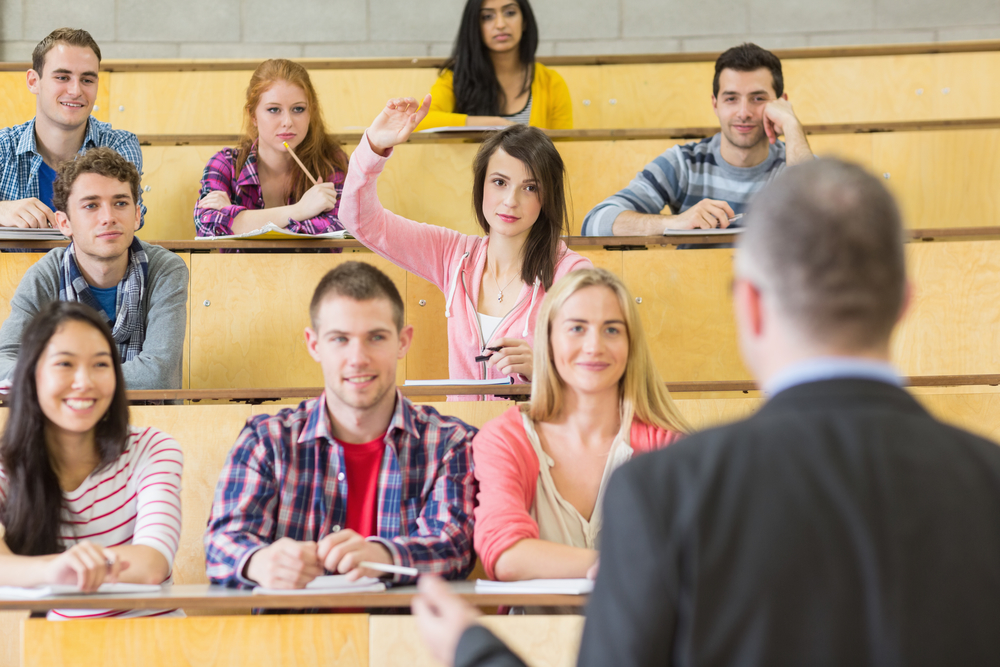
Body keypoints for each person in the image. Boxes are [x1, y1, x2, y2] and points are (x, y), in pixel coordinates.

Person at [412, 158, 1000, 666]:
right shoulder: (988, 483)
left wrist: (476, 650)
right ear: (904, 301)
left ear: (749, 305)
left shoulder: (666, 490)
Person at [204, 262, 478, 588]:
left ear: (403, 342)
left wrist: (384, 556)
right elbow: (221, 544)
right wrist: (257, 561)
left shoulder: (451, 442)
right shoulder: (266, 439)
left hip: (405, 638)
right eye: (339, 339)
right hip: (291, 637)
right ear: (314, 344)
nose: (358, 357)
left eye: (376, 337)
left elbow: (455, 546)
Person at [339, 96, 592, 389]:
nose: (511, 201)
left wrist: (543, 370)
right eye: (499, 182)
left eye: (530, 187)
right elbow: (361, 221)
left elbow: (595, 377)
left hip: (530, 433)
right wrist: (373, 147)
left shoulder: (572, 273)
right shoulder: (453, 254)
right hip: (463, 431)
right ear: (481, 185)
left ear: (548, 195)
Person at [471, 268, 687, 581]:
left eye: (612, 330)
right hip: (536, 630)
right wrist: (620, 566)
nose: (594, 346)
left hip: (642, 629)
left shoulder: (667, 445)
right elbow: (505, 555)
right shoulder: (505, 438)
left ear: (631, 345)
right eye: (576, 328)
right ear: (548, 341)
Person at [0, 301, 183, 620]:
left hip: (158, 641)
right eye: (65, 364)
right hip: (63, 646)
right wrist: (54, 568)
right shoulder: (7, 463)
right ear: (32, 375)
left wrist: (59, 568)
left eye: (100, 365)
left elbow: (151, 564)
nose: (84, 382)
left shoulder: (153, 448)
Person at [0, 147, 188, 389]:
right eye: (91, 206)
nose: (108, 217)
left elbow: (157, 375)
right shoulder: (45, 275)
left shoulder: (165, 270)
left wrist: (63, 377)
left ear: (137, 216)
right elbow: (3, 364)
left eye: (120, 203)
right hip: (66, 419)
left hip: (149, 417)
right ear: (64, 223)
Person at [582, 43, 813, 237]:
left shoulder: (795, 162)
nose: (744, 112)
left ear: (781, 102)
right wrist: (674, 223)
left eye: (758, 98)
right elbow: (595, 222)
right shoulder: (683, 163)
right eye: (731, 98)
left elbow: (826, 223)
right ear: (715, 104)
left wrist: (792, 125)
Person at [0, 28, 145, 229]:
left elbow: (127, 222)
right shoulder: (3, 146)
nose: (76, 91)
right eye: (62, 77)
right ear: (34, 82)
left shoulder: (118, 146)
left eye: (87, 80)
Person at [194, 59, 348, 237]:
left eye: (298, 109)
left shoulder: (331, 162)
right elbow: (207, 226)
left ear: (310, 113)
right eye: (274, 110)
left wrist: (237, 220)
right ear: (253, 116)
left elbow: (338, 225)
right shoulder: (225, 164)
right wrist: (300, 210)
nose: (288, 122)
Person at [416, 0, 572, 131]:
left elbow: (566, 149)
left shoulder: (551, 82)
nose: (500, 24)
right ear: (475, 26)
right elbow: (419, 120)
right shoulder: (455, 78)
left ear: (524, 21)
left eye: (510, 13)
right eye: (487, 16)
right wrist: (497, 124)